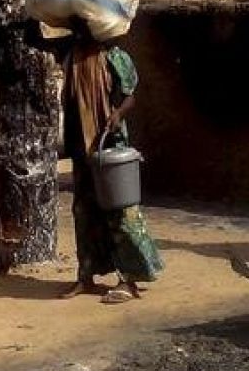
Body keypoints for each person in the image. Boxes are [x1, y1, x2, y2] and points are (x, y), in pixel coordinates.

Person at [39, 20, 164, 303]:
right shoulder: (72, 54)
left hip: (110, 144)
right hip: (82, 147)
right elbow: (41, 43)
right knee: (84, 211)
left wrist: (117, 114)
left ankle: (129, 279)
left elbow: (130, 96)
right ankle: (85, 276)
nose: (79, 31)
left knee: (120, 212)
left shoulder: (114, 57)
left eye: (83, 26)